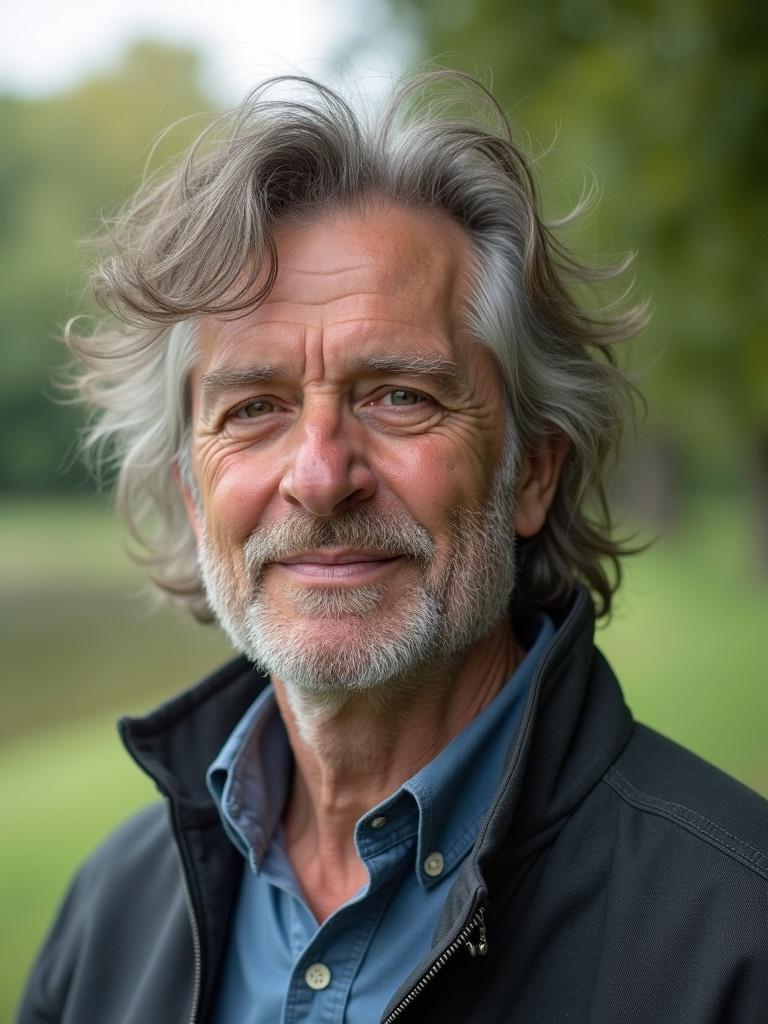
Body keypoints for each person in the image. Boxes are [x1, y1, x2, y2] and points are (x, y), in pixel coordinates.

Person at [16, 72, 768, 1024]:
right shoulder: (111, 919)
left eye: (399, 395)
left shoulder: (737, 936)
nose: (322, 475)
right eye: (255, 409)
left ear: (531, 471)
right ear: (194, 498)